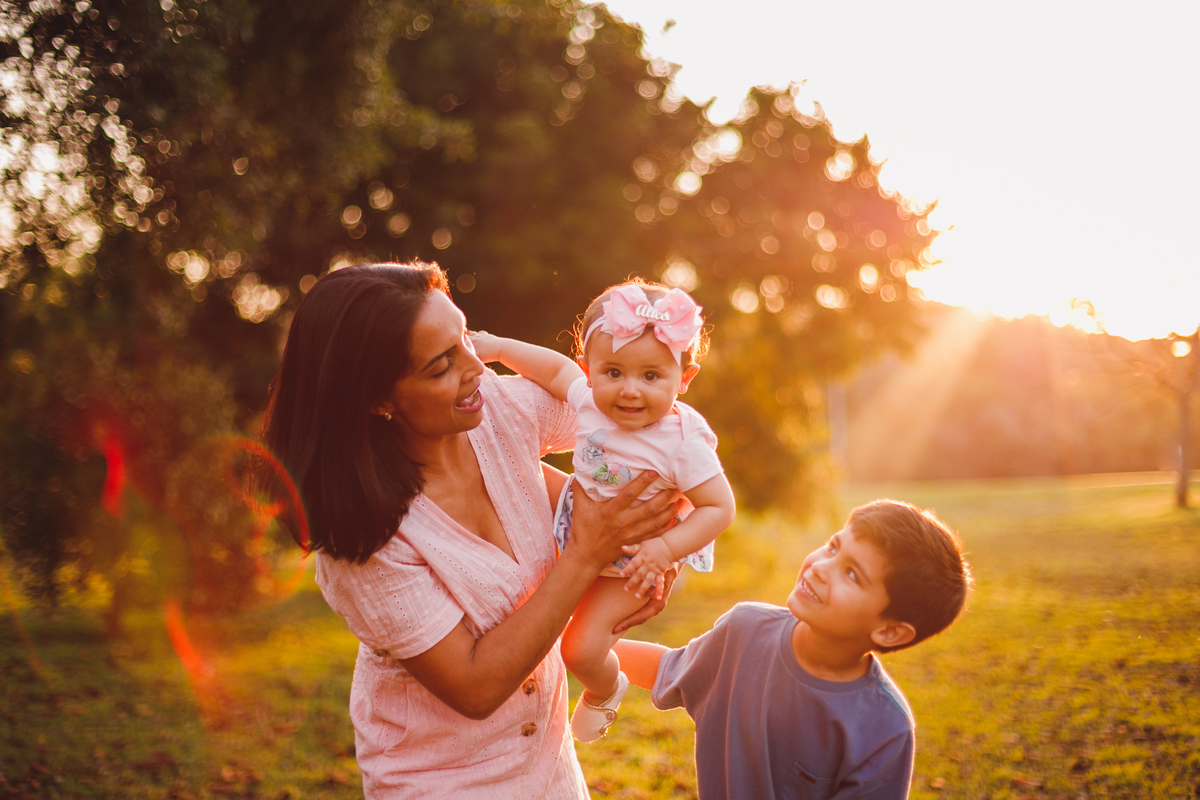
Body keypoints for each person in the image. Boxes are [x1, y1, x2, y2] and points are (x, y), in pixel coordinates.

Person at [257, 263, 683, 798]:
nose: (476, 367)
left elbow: (632, 423)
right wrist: (585, 553)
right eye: (442, 366)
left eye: (464, 338)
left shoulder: (499, 409)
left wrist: (656, 541)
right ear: (377, 400)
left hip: (550, 768)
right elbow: (475, 688)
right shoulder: (365, 541)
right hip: (441, 781)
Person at [471, 279, 736, 743]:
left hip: (634, 563)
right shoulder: (590, 401)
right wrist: (495, 347)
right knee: (505, 482)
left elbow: (719, 507)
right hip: (575, 523)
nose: (630, 390)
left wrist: (665, 549)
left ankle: (605, 688)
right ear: (588, 371)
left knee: (579, 649)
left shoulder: (681, 442)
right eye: (614, 372)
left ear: (685, 378)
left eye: (651, 376)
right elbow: (552, 369)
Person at [613, 499, 973, 799]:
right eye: (833, 547)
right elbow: (669, 668)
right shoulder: (745, 630)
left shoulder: (885, 730)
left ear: (890, 631)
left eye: (852, 574)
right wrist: (580, 644)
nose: (821, 568)